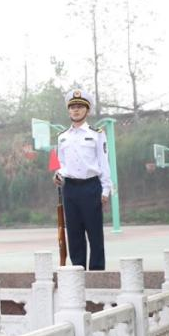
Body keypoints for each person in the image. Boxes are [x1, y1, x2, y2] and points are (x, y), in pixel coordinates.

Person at [54, 89, 113, 271]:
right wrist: (58, 174)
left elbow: (104, 162)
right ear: (68, 110)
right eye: (72, 107)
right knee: (74, 234)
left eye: (80, 107)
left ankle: (96, 274)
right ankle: (77, 273)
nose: (76, 110)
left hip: (90, 187)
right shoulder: (62, 136)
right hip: (70, 189)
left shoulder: (97, 134)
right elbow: (63, 164)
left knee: (94, 234)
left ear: (87, 110)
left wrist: (105, 190)